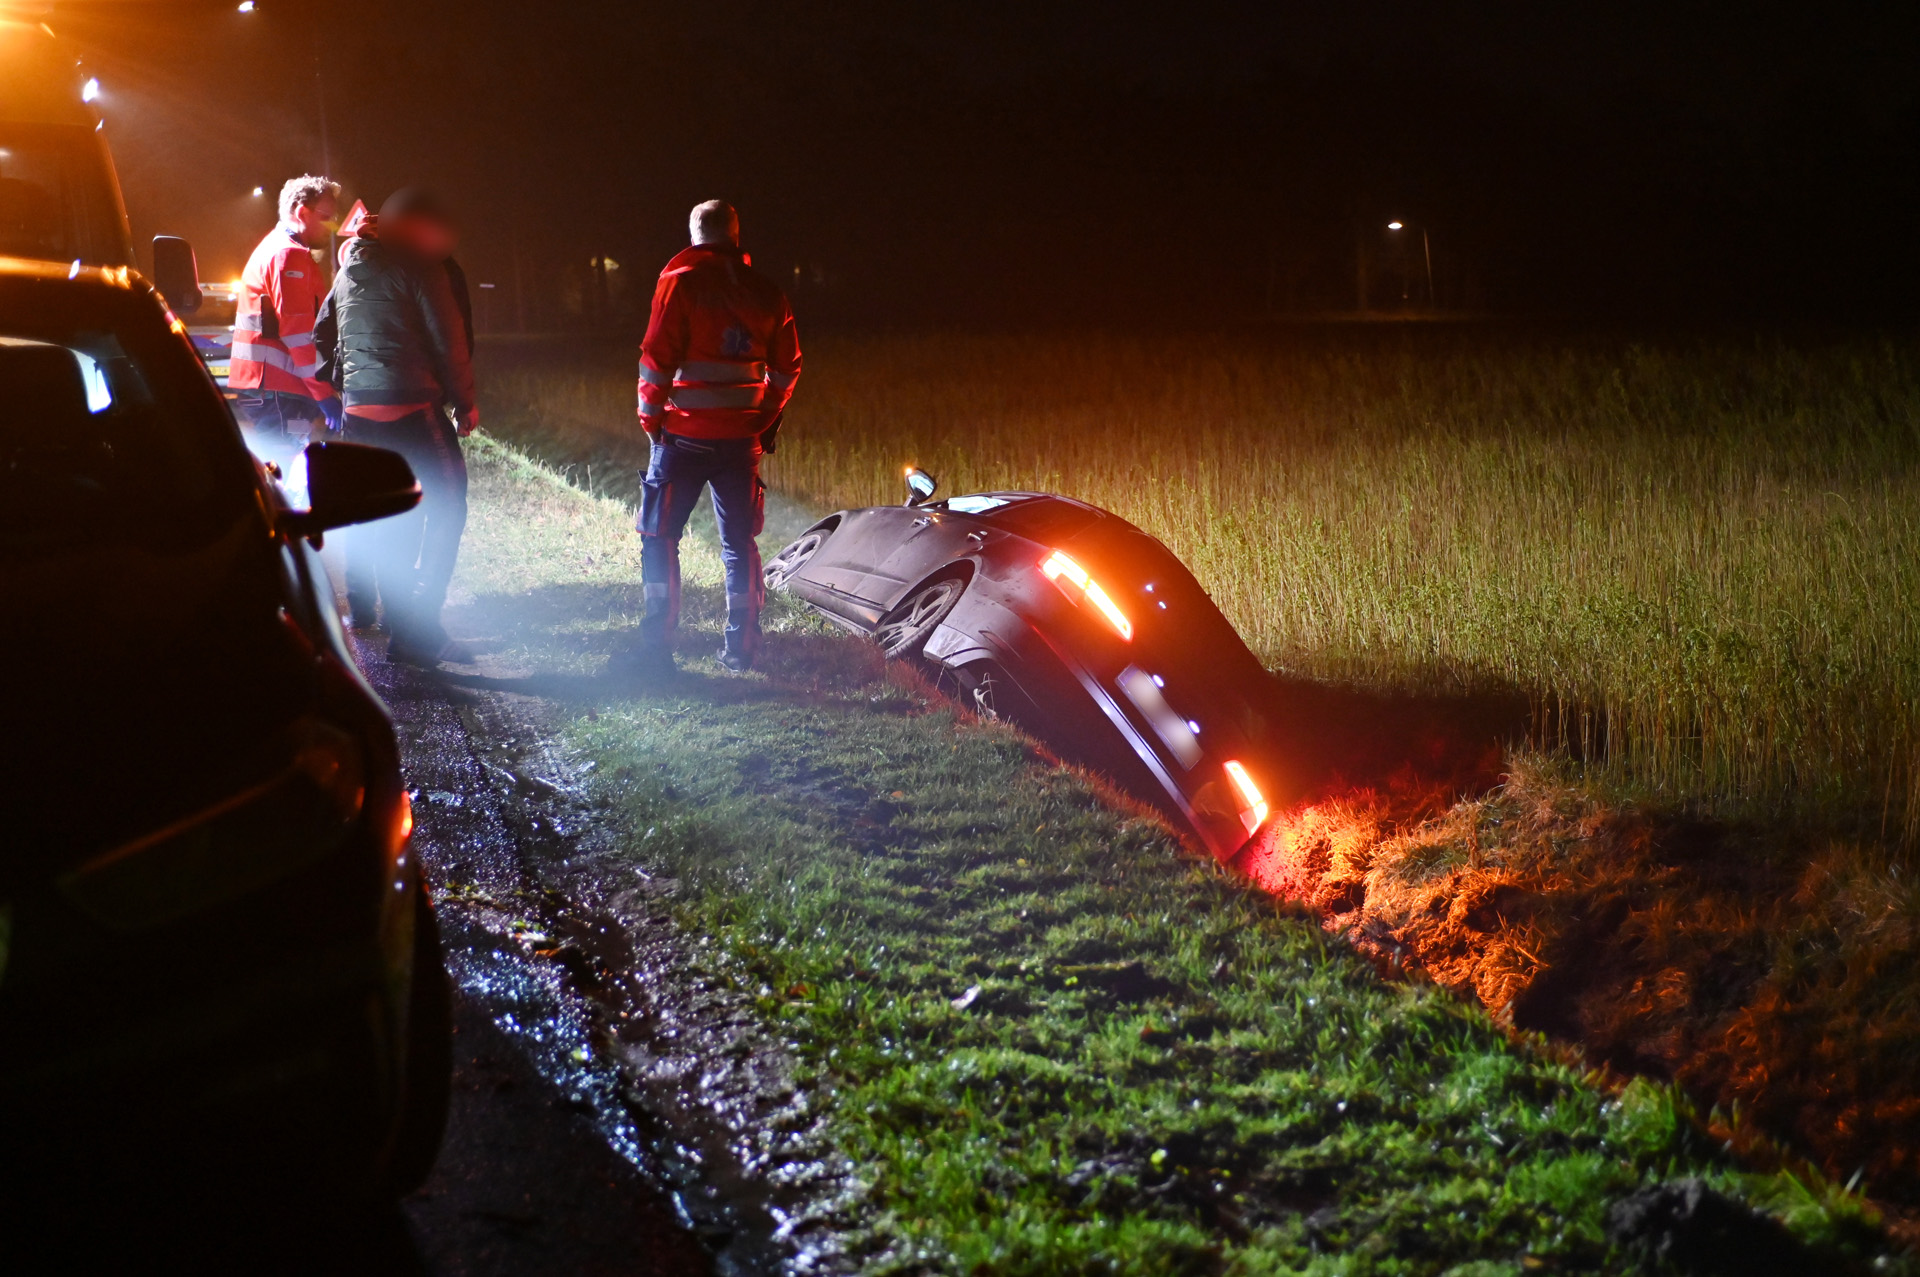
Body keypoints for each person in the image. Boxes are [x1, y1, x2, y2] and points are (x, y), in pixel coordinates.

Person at [621, 200, 802, 675]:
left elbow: (655, 359)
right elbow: (788, 368)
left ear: (694, 234)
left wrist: (651, 420)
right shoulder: (768, 292)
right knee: (739, 543)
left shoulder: (680, 283)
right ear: (736, 235)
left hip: (681, 437)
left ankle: (658, 650)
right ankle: (741, 650)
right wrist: (763, 417)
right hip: (741, 442)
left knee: (659, 537)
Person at [314, 188, 478, 666]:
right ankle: (418, 626)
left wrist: (346, 384)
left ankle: (400, 621)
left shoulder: (349, 269)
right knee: (448, 507)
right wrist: (465, 403)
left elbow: (323, 331)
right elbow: (449, 341)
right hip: (412, 407)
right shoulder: (421, 267)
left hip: (360, 413)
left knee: (386, 515)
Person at [230, 175, 343, 465]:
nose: (333, 226)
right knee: (284, 471)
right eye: (326, 217)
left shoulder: (280, 249)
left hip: (270, 388)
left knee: (285, 468)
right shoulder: (289, 255)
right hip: (277, 390)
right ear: (302, 212)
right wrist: (323, 392)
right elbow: (298, 332)